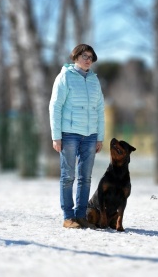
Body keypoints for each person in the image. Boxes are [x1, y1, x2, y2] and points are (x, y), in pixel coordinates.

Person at [49, 44, 104, 229]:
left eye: (90, 57)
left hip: (90, 136)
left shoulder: (95, 80)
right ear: (75, 57)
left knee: (85, 177)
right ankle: (68, 216)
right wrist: (56, 136)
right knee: (68, 177)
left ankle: (81, 216)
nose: (88, 60)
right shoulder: (65, 76)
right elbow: (55, 107)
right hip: (69, 134)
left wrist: (99, 137)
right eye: (84, 56)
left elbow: (100, 110)